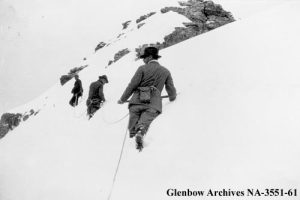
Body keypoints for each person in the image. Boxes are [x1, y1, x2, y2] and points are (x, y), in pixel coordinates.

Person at [117, 47, 177, 150]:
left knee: (133, 120)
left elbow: (132, 85)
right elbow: (170, 89)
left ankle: (133, 136)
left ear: (149, 57)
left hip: (136, 102)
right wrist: (172, 98)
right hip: (153, 104)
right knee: (147, 118)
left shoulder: (142, 69)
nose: (143, 60)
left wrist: (122, 99)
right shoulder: (165, 71)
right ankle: (140, 131)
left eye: (144, 57)